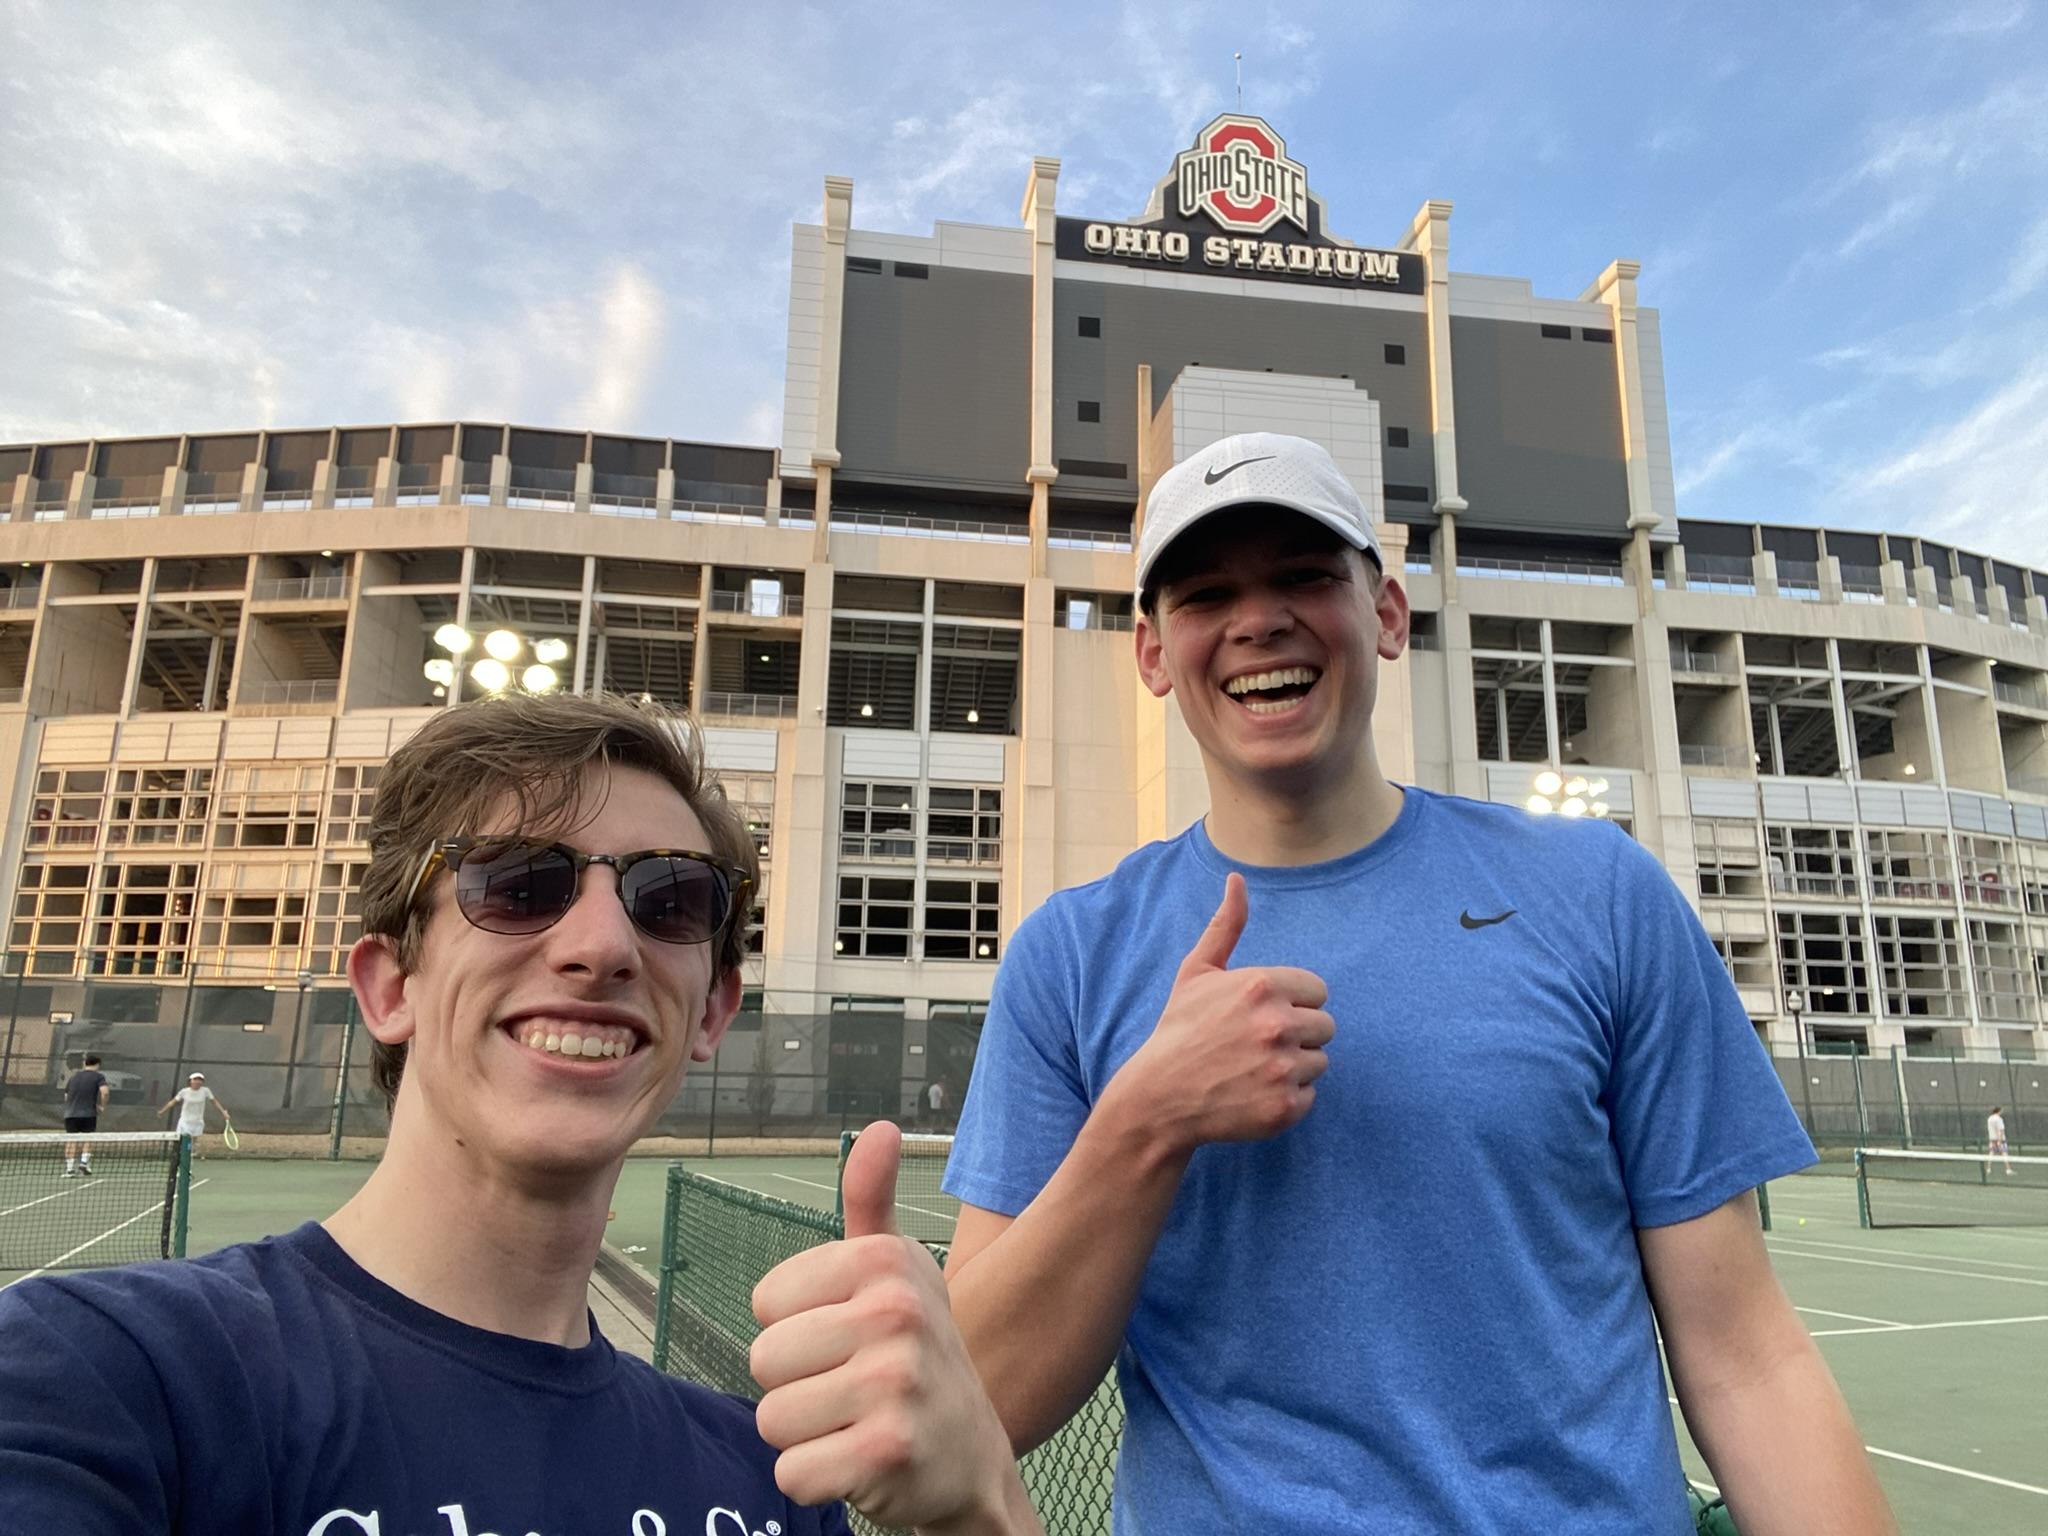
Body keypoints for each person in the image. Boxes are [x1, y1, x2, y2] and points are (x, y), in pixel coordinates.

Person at [941, 434, 1896, 1532]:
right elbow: (982, 1402)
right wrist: (1143, 1125)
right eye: (1207, 593)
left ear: (1386, 614)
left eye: (1304, 576)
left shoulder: (1597, 894)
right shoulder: (1071, 955)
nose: (1258, 620)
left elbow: (1745, 1357)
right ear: (1153, 654)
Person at [1, 693, 1040, 1536]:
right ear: (388, 986)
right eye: (519, 882)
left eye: (671, 897)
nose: (601, 943)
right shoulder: (103, 1380)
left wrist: (981, 1507)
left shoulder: (772, 1484)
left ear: (713, 1008)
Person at [60, 1052, 110, 1177]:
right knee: (88, 1138)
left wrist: (72, 1106)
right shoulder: (99, 1077)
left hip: (70, 1114)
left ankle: (70, 1170)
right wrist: (102, 1106)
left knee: (71, 1140)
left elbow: (66, 1096)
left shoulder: (73, 1077)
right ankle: (83, 1163)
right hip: (88, 1114)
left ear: (85, 1064)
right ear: (98, 1065)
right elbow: (105, 1092)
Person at [161, 1069, 230, 1146]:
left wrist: (223, 1112)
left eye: (200, 1080)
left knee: (193, 1144)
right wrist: (162, 1111)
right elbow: (172, 1102)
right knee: (182, 1141)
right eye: (195, 1079)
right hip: (185, 1121)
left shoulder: (206, 1091)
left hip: (198, 1121)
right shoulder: (184, 1092)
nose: (197, 1082)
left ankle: (191, 1155)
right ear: (190, 1081)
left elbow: (214, 1102)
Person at [1987, 1105, 2013, 1174]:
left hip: (1992, 1139)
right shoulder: (1999, 1119)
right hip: (2000, 1140)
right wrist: (2000, 1140)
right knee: (2004, 1154)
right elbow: (2001, 1130)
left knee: (1991, 1154)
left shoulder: (1989, 1118)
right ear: (1999, 1111)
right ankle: (2008, 1170)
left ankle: (1988, 1169)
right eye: (2001, 1111)